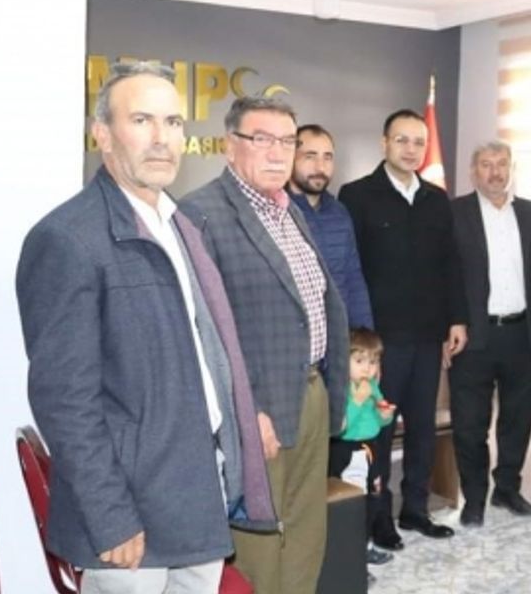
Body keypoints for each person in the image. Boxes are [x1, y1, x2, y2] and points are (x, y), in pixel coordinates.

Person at [18, 63, 275, 593]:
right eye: (141, 120)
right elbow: (64, 400)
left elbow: (205, 352)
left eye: (173, 122)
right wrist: (110, 515)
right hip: (131, 514)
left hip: (197, 489)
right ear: (102, 134)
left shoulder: (183, 226)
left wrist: (240, 422)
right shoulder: (67, 239)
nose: (162, 138)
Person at [184, 96, 350, 594]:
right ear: (229, 145)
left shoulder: (287, 208)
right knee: (258, 544)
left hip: (310, 391)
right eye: (262, 139)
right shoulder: (201, 214)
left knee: (304, 531)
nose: (278, 153)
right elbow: (202, 333)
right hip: (258, 410)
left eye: (287, 141)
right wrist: (245, 410)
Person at [338, 109, 467, 548]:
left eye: (418, 142)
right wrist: (360, 340)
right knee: (376, 428)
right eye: (402, 140)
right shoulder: (357, 196)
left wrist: (456, 318)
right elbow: (350, 268)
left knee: (422, 428)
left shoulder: (436, 199)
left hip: (428, 337)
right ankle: (379, 518)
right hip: (381, 342)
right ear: (384, 143)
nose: (411, 149)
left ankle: (415, 509)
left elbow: (451, 264)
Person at [449, 141, 531, 526]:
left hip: (520, 332)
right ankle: (474, 497)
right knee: (470, 423)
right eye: (486, 164)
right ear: (473, 172)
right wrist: (452, 322)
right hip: (473, 335)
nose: (495, 172)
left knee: (517, 419)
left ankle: (507, 488)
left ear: (511, 169)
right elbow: (444, 273)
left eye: (502, 164)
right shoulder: (455, 212)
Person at [288, 124, 374, 329]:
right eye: (310, 156)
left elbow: (353, 278)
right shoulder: (275, 211)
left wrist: (364, 332)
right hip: (294, 335)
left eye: (327, 157)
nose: (320, 167)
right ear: (290, 158)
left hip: (337, 334)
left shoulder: (339, 212)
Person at [328, 329, 397, 585]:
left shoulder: (372, 386)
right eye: (359, 361)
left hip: (371, 448)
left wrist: (384, 415)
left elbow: (377, 419)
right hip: (348, 450)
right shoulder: (343, 390)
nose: (367, 368)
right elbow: (342, 426)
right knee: (352, 507)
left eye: (373, 361)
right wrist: (357, 401)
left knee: (372, 501)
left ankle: (365, 546)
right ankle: (352, 561)